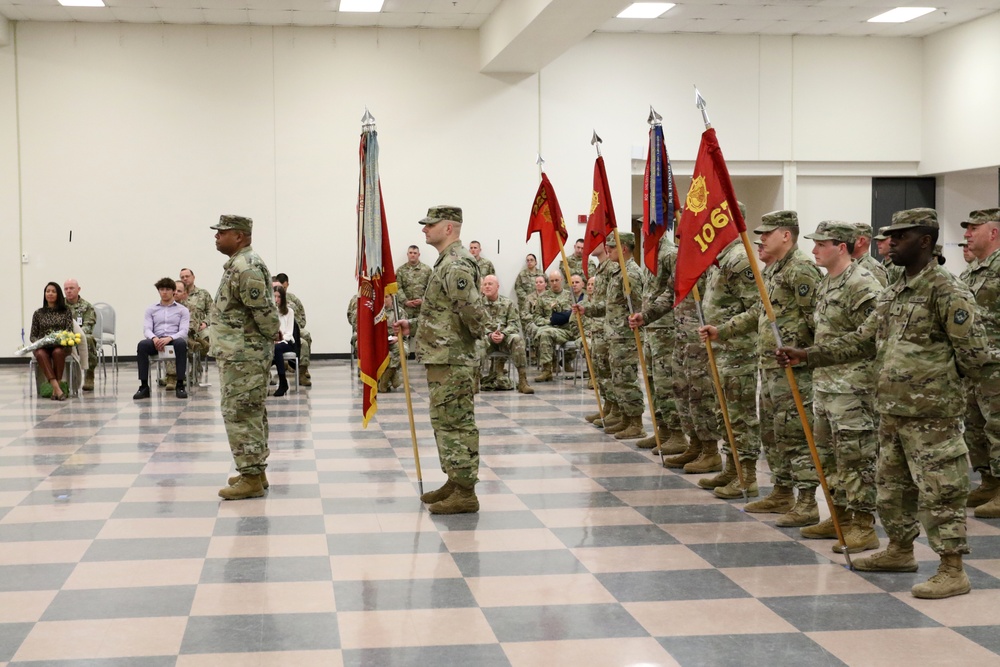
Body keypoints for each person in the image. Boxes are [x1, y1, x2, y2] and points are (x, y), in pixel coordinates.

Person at [778, 208, 1000, 600]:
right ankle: (899, 550)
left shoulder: (946, 290)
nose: (890, 243)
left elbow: (976, 357)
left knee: (940, 491)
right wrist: (807, 355)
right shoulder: (896, 287)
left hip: (932, 417)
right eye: (890, 236)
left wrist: (941, 392)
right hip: (891, 411)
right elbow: (864, 340)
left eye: (901, 236)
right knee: (892, 490)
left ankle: (953, 569)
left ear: (925, 242)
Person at [701, 210, 821, 525]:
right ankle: (782, 492)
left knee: (797, 433)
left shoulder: (802, 269)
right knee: (773, 432)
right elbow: (758, 310)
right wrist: (722, 330)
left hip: (794, 369)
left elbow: (817, 322)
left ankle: (807, 501)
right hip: (770, 366)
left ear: (786, 235)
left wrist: (808, 355)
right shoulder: (771, 271)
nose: (761, 239)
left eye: (768, 233)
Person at [395, 205, 487, 515]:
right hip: (444, 356)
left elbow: (474, 314)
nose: (424, 230)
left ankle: (465, 491)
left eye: (430, 225)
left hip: (453, 359)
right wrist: (415, 326)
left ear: (448, 228)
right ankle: (455, 480)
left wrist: (470, 344)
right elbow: (444, 314)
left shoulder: (456, 264)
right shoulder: (446, 262)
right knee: (445, 421)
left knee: (456, 422)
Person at [800, 221, 882, 552]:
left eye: (822, 244)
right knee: (829, 458)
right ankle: (841, 517)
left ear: (842, 247)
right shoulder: (826, 283)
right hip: (826, 385)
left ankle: (863, 525)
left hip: (853, 389)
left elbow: (872, 337)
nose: (815, 249)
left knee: (856, 458)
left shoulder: (862, 285)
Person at [699, 203, 766, 497]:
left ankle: (747, 475)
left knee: (740, 415)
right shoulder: (721, 259)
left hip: (738, 352)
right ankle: (731, 466)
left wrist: (724, 330)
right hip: (721, 351)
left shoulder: (739, 259)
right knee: (723, 412)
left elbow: (757, 307)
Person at [213, 215, 280, 501]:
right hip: (240, 353)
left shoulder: (246, 266)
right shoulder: (239, 264)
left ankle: (251, 476)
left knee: (241, 412)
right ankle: (255, 470)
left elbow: (263, 311)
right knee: (249, 409)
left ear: (239, 236)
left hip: (244, 355)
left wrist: (269, 336)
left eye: (222, 232)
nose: (216, 237)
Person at [575, 232, 646, 440]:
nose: (609, 250)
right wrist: (586, 309)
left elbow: (638, 305)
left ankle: (636, 423)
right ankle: (624, 417)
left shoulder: (630, 273)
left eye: (612, 248)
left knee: (627, 379)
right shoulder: (618, 272)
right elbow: (609, 306)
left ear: (623, 249)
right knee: (618, 380)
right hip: (614, 334)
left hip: (626, 337)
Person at [628, 233, 686, 453]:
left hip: (666, 328)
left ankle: (677, 434)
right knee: (653, 383)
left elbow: (673, 291)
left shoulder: (670, 254)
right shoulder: (653, 254)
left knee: (666, 383)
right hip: (652, 325)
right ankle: (662, 430)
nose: (644, 234)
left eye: (648, 229)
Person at [960, 208, 1000, 518]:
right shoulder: (972, 272)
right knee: (976, 428)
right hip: (974, 367)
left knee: (998, 427)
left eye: (974, 228)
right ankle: (988, 480)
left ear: (994, 232)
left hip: (997, 365)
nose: (967, 234)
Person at [133, 277, 190, 400]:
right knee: (142, 345)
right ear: (158, 291)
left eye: (168, 289)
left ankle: (180, 384)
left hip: (174, 339)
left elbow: (184, 331)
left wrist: (169, 338)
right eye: (161, 289)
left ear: (173, 291)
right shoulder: (151, 309)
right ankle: (143, 386)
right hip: (157, 339)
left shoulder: (182, 310)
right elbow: (147, 329)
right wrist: (154, 338)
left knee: (181, 344)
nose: (164, 292)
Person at [480, 274, 534, 394]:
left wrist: (503, 334)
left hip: (504, 339)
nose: (487, 286)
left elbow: (514, 324)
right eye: (485, 284)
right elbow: (476, 325)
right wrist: (489, 334)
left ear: (497, 286)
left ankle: (522, 381)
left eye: (490, 284)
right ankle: (473, 382)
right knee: (478, 341)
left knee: (517, 339)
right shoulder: (478, 304)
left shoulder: (507, 303)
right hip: (487, 340)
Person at [29, 282, 75, 401]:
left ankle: (56, 389)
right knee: (40, 353)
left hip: (60, 345)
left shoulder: (66, 311)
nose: (50, 294)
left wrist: (60, 340)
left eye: (53, 291)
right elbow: (33, 336)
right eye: (48, 291)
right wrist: (40, 342)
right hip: (42, 346)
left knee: (58, 352)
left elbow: (69, 332)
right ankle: (57, 388)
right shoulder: (38, 313)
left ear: (58, 294)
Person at [532, 270, 575, 382]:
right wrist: (549, 321)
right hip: (551, 328)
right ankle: (547, 370)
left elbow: (576, 315)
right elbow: (536, 317)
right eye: (552, 281)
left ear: (561, 280)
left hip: (566, 330)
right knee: (544, 333)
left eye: (556, 280)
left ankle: (565, 361)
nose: (554, 283)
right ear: (549, 282)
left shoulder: (570, 296)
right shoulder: (543, 297)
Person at [273, 273, 312, 387]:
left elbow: (302, 314)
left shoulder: (293, 299)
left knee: (306, 337)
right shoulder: (271, 300)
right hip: (277, 334)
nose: (282, 290)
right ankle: (285, 364)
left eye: (284, 288)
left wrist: (298, 327)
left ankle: (302, 371)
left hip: (294, 329)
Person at [63, 278, 97, 391]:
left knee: (88, 338)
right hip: (64, 336)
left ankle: (89, 374)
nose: (68, 291)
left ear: (78, 289)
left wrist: (75, 336)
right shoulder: (60, 306)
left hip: (80, 337)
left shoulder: (87, 306)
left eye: (71, 288)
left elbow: (88, 326)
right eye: (66, 289)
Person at [396, 245, 432, 339]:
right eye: (411, 253)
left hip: (422, 308)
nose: (412, 255)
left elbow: (431, 288)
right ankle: (406, 353)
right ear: (407, 254)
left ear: (418, 254)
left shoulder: (427, 270)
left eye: (415, 253)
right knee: (405, 334)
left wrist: (423, 300)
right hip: (406, 308)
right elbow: (398, 287)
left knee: (423, 333)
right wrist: (405, 301)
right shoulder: (401, 270)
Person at [271, 284, 296, 397]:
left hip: (287, 342)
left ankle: (283, 381)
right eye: (274, 297)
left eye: (279, 297)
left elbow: (289, 332)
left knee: (277, 349)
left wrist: (279, 340)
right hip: (273, 342)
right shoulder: (271, 312)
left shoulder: (289, 311)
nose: (276, 300)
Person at [851, 223, 889, 287]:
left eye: (850, 238)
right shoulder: (852, 264)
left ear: (861, 241)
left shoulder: (873, 269)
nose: (844, 242)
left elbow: (880, 296)